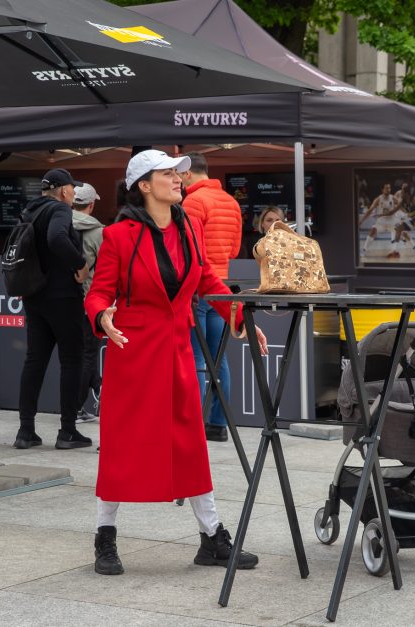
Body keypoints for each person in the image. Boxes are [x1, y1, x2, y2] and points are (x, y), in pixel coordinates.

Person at [85, 149, 268, 576]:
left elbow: (206, 278)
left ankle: (211, 537)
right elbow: (99, 292)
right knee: (122, 447)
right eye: (168, 173)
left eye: (178, 172)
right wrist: (101, 315)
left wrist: (240, 317)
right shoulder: (118, 235)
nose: (178, 178)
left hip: (176, 352)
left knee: (189, 443)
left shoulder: (188, 225)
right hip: (133, 353)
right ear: (143, 186)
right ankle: (104, 535)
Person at [13, 168, 92, 450]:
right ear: (62, 190)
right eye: (72, 188)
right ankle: (68, 430)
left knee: (34, 361)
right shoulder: (59, 210)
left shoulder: (29, 211)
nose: (73, 193)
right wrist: (80, 264)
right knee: (72, 360)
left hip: (35, 295)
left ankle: (26, 430)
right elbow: (58, 238)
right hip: (62, 296)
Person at [180, 152, 243, 442]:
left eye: (179, 175)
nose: (177, 181)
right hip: (223, 288)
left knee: (194, 358)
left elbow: (188, 249)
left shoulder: (192, 202)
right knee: (219, 360)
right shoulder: (231, 202)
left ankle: (192, 423)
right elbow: (234, 250)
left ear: (188, 173)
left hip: (198, 288)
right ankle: (218, 425)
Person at [71, 182, 104, 423]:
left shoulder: (58, 225)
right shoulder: (100, 232)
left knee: (74, 354)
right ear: (91, 205)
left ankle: (98, 388)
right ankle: (75, 407)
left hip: (62, 299)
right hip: (89, 300)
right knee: (87, 354)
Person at [358, 183, 404, 259]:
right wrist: (361, 221)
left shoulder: (393, 198)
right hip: (381, 223)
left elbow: (402, 206)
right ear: (382, 189)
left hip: (391, 222)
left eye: (389, 188)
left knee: (397, 230)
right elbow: (370, 210)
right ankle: (364, 250)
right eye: (386, 188)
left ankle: (394, 250)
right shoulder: (378, 199)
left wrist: (406, 214)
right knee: (373, 231)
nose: (388, 190)